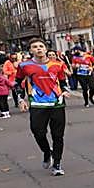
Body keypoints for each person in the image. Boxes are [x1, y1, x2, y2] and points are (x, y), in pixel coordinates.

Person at [15, 38, 70, 176]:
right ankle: (47, 151)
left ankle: (57, 164)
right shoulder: (24, 66)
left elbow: (63, 82)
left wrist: (64, 90)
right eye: (35, 47)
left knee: (58, 135)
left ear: (46, 49)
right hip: (38, 104)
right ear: (30, 50)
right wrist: (21, 99)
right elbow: (17, 83)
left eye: (41, 46)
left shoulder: (58, 64)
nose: (38, 49)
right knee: (37, 132)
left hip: (57, 104)